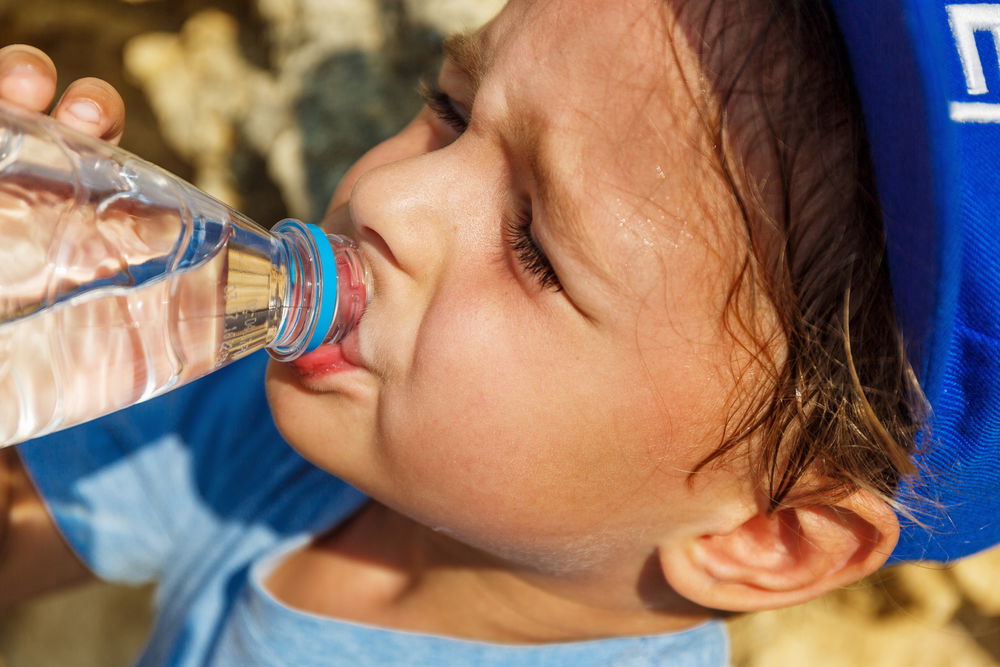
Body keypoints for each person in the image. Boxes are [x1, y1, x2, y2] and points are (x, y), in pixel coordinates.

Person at [0, 0, 996, 664]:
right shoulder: (322, 417)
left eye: (533, 249)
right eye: (452, 105)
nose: (388, 190)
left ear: (763, 537)